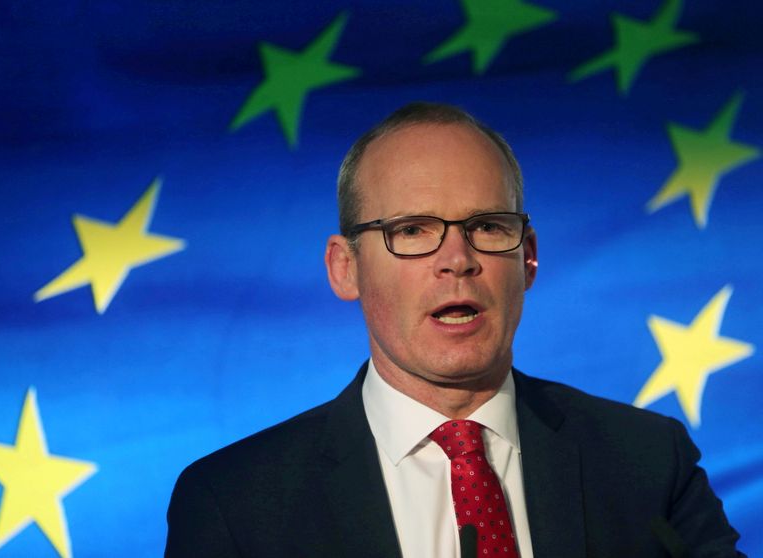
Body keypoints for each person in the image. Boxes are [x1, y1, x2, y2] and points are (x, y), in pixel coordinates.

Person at [165, 102, 743, 557]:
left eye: (488, 226)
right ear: (347, 268)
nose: (457, 259)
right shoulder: (233, 503)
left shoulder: (647, 461)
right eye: (414, 230)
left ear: (529, 257)